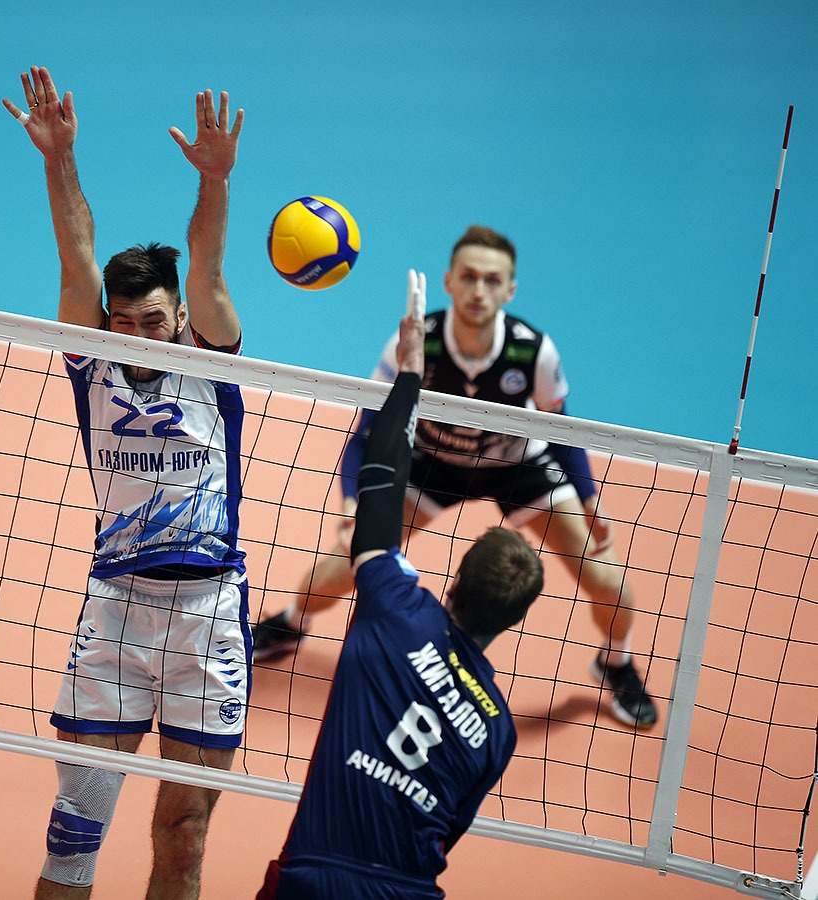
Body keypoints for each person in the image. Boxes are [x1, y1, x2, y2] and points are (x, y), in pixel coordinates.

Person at [252, 224, 658, 730]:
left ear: (509, 290)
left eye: (492, 280)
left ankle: (615, 661)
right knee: (345, 560)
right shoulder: (415, 342)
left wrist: (589, 496)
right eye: (468, 277)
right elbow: (365, 433)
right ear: (448, 281)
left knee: (607, 578)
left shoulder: (533, 352)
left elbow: (562, 429)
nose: (478, 290)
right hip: (432, 463)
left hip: (517, 466)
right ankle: (293, 623)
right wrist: (353, 501)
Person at [3, 66, 247, 899]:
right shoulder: (94, 363)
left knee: (184, 835)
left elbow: (208, 267)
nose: (139, 335)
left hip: (208, 616)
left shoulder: (209, 359)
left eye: (154, 321)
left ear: (179, 317)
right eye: (124, 321)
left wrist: (214, 181)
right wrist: (59, 157)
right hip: (115, 608)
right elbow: (76, 256)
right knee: (75, 832)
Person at [257, 272, 545, 899]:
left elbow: (383, 479)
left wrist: (410, 374)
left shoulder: (394, 606)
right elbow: (449, 833)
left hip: (314, 878)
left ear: (454, 582)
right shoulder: (498, 730)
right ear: (513, 620)